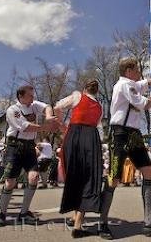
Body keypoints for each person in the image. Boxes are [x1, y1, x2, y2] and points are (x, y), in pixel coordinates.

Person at [98, 57, 151, 239]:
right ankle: (102, 223)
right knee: (114, 178)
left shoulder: (132, 83)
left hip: (134, 134)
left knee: (149, 171)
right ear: (129, 70)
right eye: (137, 70)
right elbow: (142, 103)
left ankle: (149, 219)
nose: (139, 73)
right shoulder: (125, 85)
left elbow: (144, 83)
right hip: (120, 134)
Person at [0, 85, 56, 227]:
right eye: (30, 95)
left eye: (33, 95)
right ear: (21, 96)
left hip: (29, 146)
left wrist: (48, 116)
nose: (33, 98)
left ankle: (23, 213)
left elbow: (47, 106)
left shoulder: (33, 105)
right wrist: (45, 127)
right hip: (14, 146)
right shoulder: (12, 110)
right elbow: (25, 126)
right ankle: (1, 214)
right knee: (10, 182)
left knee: (34, 177)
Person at [55, 79, 104, 238]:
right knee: (87, 179)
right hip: (91, 138)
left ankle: (76, 220)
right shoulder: (99, 107)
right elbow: (99, 127)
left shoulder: (77, 96)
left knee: (75, 176)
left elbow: (58, 106)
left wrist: (62, 124)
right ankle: (77, 221)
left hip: (74, 135)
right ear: (97, 91)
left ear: (84, 89)